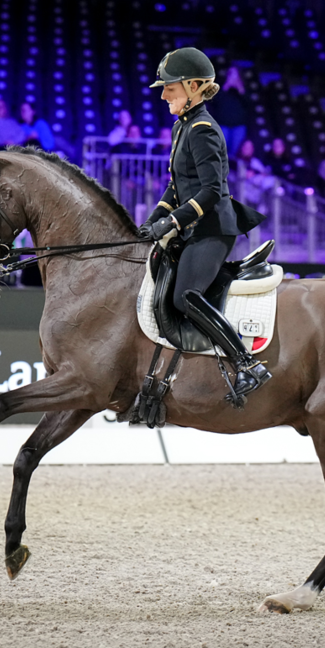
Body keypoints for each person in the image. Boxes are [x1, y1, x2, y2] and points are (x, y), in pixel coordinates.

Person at [139, 47, 269, 400]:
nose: (164, 94)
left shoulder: (202, 129)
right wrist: (154, 219)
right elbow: (176, 185)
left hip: (212, 228)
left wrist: (172, 223)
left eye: (170, 87)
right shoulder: (182, 126)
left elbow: (211, 191)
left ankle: (246, 363)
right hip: (194, 225)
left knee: (185, 297)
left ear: (195, 86)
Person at [210, 65, 248, 158]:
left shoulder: (243, 89)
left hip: (238, 125)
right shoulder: (221, 88)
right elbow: (215, 102)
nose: (233, 77)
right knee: (222, 150)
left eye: (235, 75)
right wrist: (226, 86)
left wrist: (240, 88)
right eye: (231, 74)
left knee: (237, 152)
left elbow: (249, 104)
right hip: (224, 125)